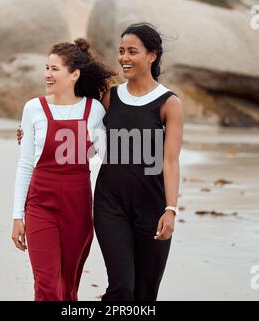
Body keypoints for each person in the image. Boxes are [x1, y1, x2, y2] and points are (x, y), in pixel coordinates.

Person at [11, 38, 115, 301]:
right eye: (46, 68)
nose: (47, 74)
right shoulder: (33, 108)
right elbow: (25, 164)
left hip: (77, 209)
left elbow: (107, 155)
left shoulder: (94, 111)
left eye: (55, 69)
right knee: (47, 289)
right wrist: (17, 216)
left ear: (74, 74)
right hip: (39, 205)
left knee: (67, 290)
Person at [93, 23, 183, 301]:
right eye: (121, 52)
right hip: (110, 204)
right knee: (121, 289)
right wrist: (33, 135)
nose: (124, 58)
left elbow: (170, 161)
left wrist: (170, 210)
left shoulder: (169, 103)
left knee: (145, 294)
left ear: (152, 55)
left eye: (132, 51)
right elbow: (78, 130)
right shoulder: (110, 97)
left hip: (152, 207)